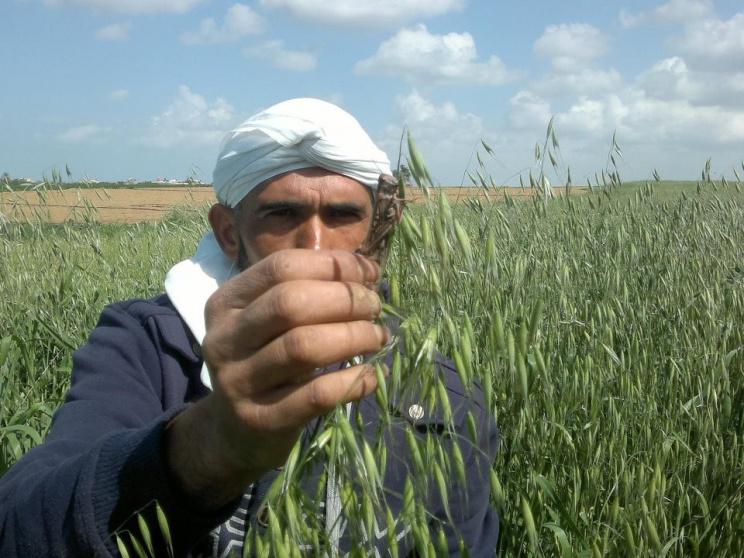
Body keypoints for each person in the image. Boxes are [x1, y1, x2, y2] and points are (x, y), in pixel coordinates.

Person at [0, 98, 499, 557]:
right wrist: (207, 449)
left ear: (378, 231)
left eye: (343, 215)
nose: (315, 247)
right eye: (282, 213)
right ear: (228, 232)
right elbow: (20, 530)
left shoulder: (441, 391)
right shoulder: (147, 347)